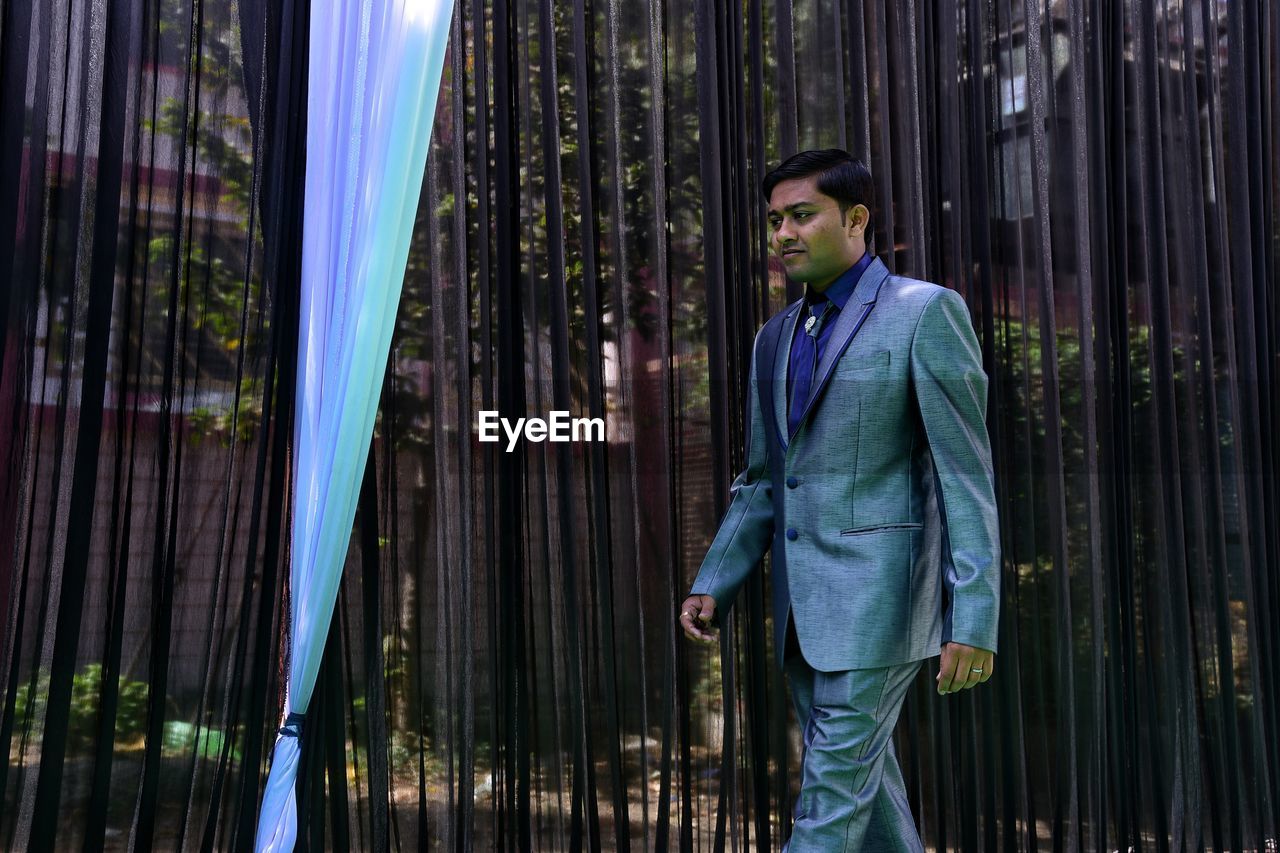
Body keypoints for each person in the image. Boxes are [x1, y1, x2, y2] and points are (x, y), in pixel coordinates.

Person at [679, 149, 1000, 851]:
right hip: (804, 609)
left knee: (826, 808)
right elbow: (765, 478)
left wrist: (972, 615)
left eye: (801, 215)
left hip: (882, 609)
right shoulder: (773, 340)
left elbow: (964, 475)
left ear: (856, 219)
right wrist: (716, 578)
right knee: (867, 795)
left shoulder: (925, 313)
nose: (782, 234)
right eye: (774, 220)